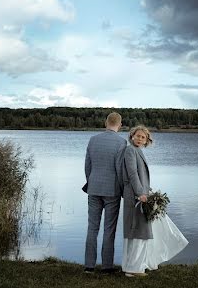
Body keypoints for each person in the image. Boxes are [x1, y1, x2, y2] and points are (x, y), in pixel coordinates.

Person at [119, 125, 188, 277]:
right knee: (138, 231)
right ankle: (133, 269)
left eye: (143, 137)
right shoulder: (130, 150)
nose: (139, 139)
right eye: (137, 136)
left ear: (146, 141)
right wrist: (140, 193)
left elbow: (140, 176)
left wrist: (148, 191)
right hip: (135, 197)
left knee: (140, 231)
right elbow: (132, 174)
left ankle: (133, 266)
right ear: (132, 136)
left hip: (141, 194)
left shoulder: (138, 151)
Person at [83, 111, 125, 274]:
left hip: (93, 188)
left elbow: (87, 166)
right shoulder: (121, 142)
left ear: (105, 123)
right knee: (109, 228)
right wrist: (122, 189)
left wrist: (91, 181)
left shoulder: (93, 140)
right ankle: (107, 266)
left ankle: (89, 266)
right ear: (120, 125)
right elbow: (120, 170)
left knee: (92, 228)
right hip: (112, 190)